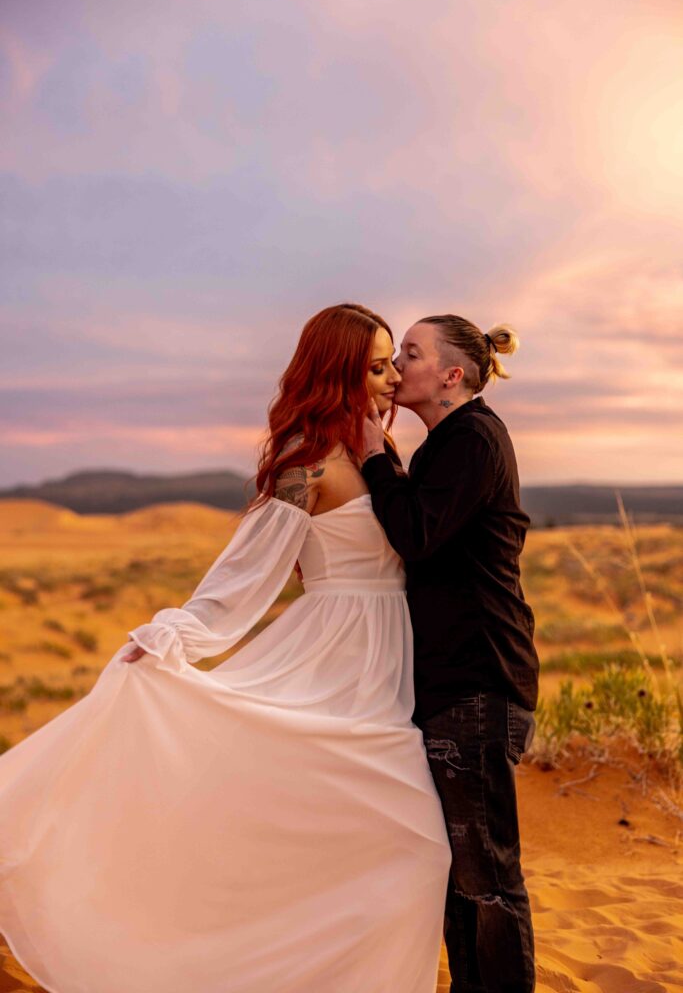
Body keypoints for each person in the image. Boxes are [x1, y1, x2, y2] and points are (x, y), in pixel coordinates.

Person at [0, 303, 451, 993]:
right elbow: (243, 575)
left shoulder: (380, 452)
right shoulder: (306, 460)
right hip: (332, 663)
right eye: (375, 365)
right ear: (337, 372)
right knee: (413, 840)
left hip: (389, 663)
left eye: (393, 362)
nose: (390, 378)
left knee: (390, 849)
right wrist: (176, 633)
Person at [360, 314, 539, 993]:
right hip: (454, 685)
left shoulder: (471, 438)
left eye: (410, 353)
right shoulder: (447, 443)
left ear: (451, 375)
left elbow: (414, 532)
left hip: (478, 683)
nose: (397, 365)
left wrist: (374, 455)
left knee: (486, 876)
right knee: (459, 876)